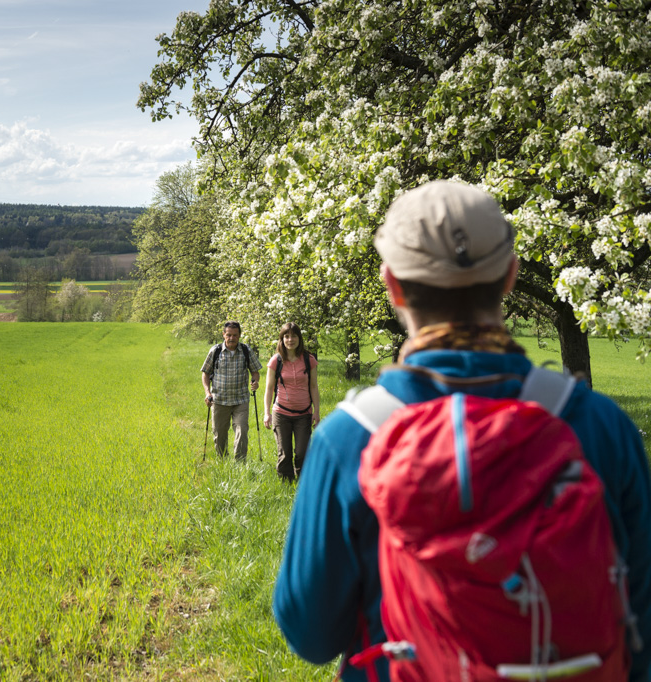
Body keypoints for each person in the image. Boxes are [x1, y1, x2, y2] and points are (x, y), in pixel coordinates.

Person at [272, 181, 651, 681]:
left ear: (392, 285)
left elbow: (310, 634)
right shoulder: (600, 428)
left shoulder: (351, 440)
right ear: (511, 276)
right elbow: (640, 624)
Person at [262, 322, 320, 481]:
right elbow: (269, 389)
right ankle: (286, 484)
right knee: (284, 453)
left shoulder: (309, 359)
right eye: (286, 336)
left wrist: (316, 412)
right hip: (281, 413)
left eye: (294, 336)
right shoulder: (276, 360)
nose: (290, 340)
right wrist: (267, 413)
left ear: (299, 338)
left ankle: (302, 483)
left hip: (304, 414)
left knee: (302, 452)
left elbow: (314, 387)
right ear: (281, 339)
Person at [201, 321, 262, 461]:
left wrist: (255, 381)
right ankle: (222, 461)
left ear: (239, 335)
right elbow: (205, 373)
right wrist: (207, 393)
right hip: (219, 400)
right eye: (228, 335)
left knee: (242, 431)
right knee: (219, 434)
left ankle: (240, 464)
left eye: (235, 335)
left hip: (240, 400)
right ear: (223, 334)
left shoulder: (246, 351)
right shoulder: (215, 351)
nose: (231, 338)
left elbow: (255, 371)